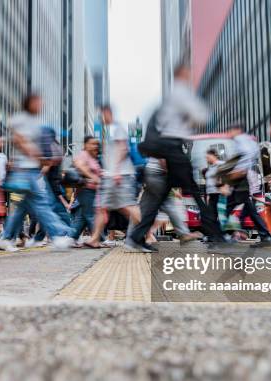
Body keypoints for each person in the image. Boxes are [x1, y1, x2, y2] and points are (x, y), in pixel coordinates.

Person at [128, 64, 225, 252]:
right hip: (172, 147)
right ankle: (216, 236)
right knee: (195, 193)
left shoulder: (171, 97)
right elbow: (201, 117)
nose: (191, 75)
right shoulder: (181, 92)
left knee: (161, 197)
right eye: (189, 72)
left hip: (169, 147)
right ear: (182, 73)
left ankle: (136, 237)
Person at [0, 93, 73, 251]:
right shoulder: (20, 118)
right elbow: (18, 139)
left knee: (23, 207)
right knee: (41, 203)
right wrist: (35, 154)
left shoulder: (36, 122)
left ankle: (6, 237)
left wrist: (43, 158)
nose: (41, 105)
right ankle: (58, 235)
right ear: (29, 102)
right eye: (38, 102)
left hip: (31, 168)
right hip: (24, 169)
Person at [83, 105, 141, 250]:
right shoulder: (108, 131)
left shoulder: (117, 128)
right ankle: (95, 239)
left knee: (128, 207)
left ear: (107, 113)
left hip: (121, 175)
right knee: (102, 208)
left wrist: (115, 171)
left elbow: (123, 148)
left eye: (101, 115)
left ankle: (147, 234)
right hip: (112, 176)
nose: (100, 118)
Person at [224, 121, 271, 247]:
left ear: (237, 130)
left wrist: (237, 173)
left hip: (240, 179)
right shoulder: (251, 141)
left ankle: (226, 235)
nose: (228, 134)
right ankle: (263, 235)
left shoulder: (240, 140)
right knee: (247, 209)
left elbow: (245, 157)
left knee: (230, 207)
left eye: (230, 131)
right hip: (244, 179)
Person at [70, 136, 101, 242]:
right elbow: (80, 166)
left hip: (92, 190)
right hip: (85, 189)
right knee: (91, 215)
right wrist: (93, 177)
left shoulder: (93, 157)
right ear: (85, 144)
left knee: (83, 217)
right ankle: (98, 239)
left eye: (96, 144)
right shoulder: (83, 155)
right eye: (92, 143)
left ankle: (70, 238)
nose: (95, 146)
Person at [204, 149, 224, 222]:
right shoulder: (210, 167)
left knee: (222, 216)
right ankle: (215, 232)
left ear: (213, 156)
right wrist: (208, 195)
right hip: (212, 195)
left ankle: (232, 232)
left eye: (208, 157)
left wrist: (223, 185)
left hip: (220, 194)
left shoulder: (221, 164)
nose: (207, 159)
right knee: (212, 216)